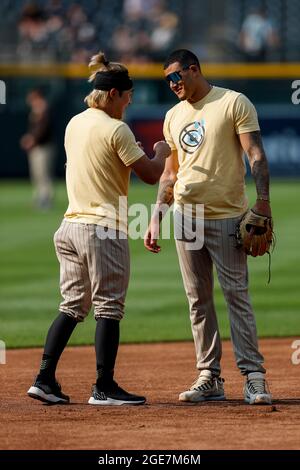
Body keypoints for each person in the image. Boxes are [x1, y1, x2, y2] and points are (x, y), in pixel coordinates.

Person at [27, 51, 171, 406]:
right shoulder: (117, 128)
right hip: (103, 229)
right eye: (126, 96)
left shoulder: (75, 122)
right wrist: (162, 153)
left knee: (72, 306)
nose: (128, 102)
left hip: (70, 226)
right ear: (112, 95)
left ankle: (44, 379)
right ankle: (103, 387)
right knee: (109, 308)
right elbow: (152, 175)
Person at [144, 49, 272, 405]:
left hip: (228, 215)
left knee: (237, 296)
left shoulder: (233, 102)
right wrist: (157, 215)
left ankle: (254, 376)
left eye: (176, 77)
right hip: (186, 218)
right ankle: (209, 376)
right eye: (167, 80)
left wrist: (263, 201)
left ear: (194, 70)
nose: (172, 85)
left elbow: (256, 155)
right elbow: (170, 173)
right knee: (197, 300)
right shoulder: (172, 116)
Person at [20, 88, 55, 209]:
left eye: (32, 97)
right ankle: (39, 197)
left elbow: (43, 129)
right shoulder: (36, 110)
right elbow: (34, 129)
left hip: (44, 147)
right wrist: (30, 138)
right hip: (36, 148)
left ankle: (46, 199)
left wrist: (33, 139)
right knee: (37, 174)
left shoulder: (45, 109)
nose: (30, 100)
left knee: (44, 174)